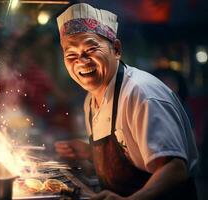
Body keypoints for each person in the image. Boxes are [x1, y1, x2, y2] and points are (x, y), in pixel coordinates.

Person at [54, 3, 198, 200]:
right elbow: (130, 156)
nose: (81, 60)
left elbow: (174, 169)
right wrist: (90, 154)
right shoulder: (91, 100)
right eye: (71, 54)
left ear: (116, 49)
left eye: (91, 48)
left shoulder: (141, 93)